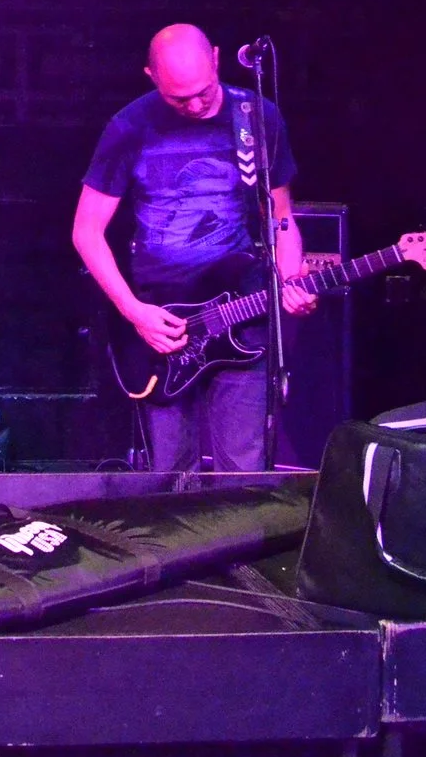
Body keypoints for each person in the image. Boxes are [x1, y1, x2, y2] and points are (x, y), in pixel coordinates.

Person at [70, 24, 315, 473]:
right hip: (163, 323)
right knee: (169, 475)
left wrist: (291, 279)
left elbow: (281, 218)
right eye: (180, 99)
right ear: (151, 76)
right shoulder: (129, 126)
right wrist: (134, 312)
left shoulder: (257, 117)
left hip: (242, 311)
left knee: (242, 470)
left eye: (204, 91)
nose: (197, 105)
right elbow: (86, 231)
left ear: (216, 60)